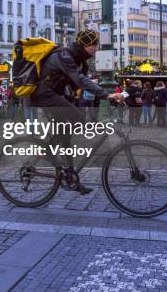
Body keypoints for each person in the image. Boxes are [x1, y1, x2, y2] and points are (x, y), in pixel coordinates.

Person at [27, 29, 124, 195]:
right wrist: (106, 94)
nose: (95, 48)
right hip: (41, 94)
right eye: (93, 45)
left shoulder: (81, 61)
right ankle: (46, 152)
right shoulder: (64, 56)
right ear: (84, 45)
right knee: (78, 117)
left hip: (54, 94)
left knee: (66, 140)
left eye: (96, 44)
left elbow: (77, 83)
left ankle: (71, 178)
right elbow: (80, 79)